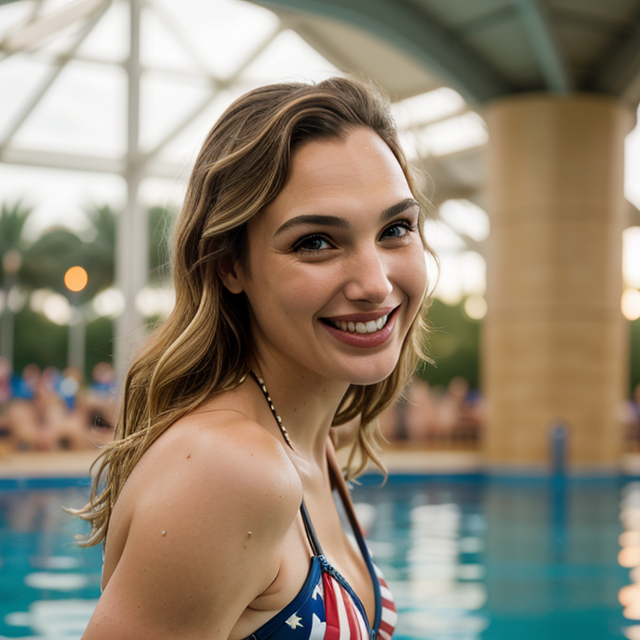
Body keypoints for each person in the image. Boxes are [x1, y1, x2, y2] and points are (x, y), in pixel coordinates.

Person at [74, 76, 436, 640]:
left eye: (396, 229)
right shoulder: (231, 470)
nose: (374, 282)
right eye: (316, 241)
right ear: (229, 265)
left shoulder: (313, 442)